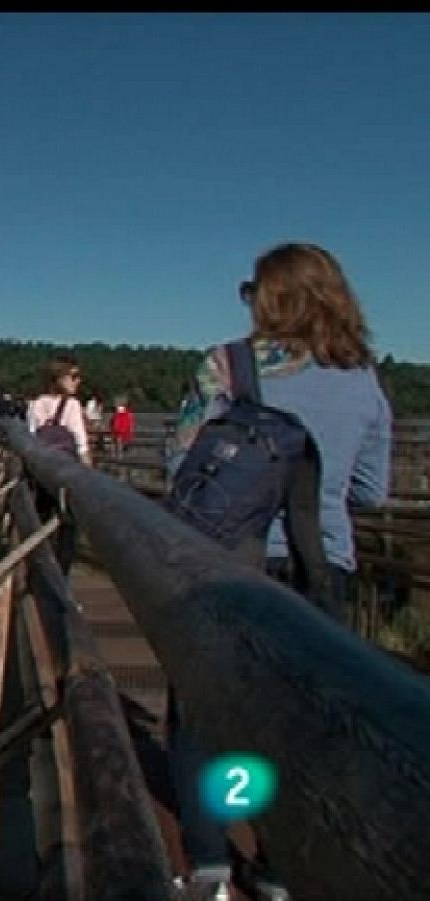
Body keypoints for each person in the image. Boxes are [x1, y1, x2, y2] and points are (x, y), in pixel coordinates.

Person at [163, 242, 391, 900]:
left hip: (233, 563)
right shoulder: (362, 376)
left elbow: (181, 468)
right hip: (324, 566)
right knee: (306, 724)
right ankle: (279, 867)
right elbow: (371, 489)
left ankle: (206, 866)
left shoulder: (226, 366)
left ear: (268, 297)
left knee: (202, 714)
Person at [25, 353, 90, 573]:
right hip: (67, 474)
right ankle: (61, 574)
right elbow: (81, 444)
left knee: (41, 520)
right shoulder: (72, 406)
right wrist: (88, 474)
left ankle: (39, 570)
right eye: (73, 376)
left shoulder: (34, 405)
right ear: (58, 378)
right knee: (68, 525)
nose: (78, 381)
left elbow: (31, 439)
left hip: (43, 473)